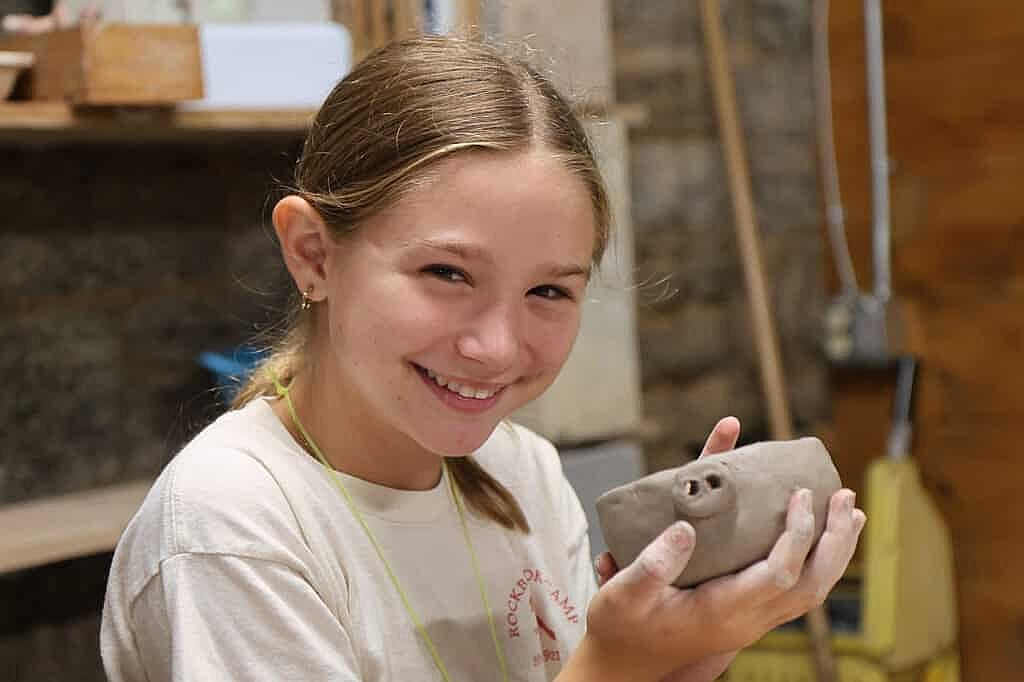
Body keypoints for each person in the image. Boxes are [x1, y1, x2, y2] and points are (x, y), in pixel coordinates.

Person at [101, 35, 865, 682]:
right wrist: (611, 665)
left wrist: (691, 647)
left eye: (548, 292)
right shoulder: (231, 525)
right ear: (313, 255)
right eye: (446, 274)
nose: (496, 347)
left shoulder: (522, 473)